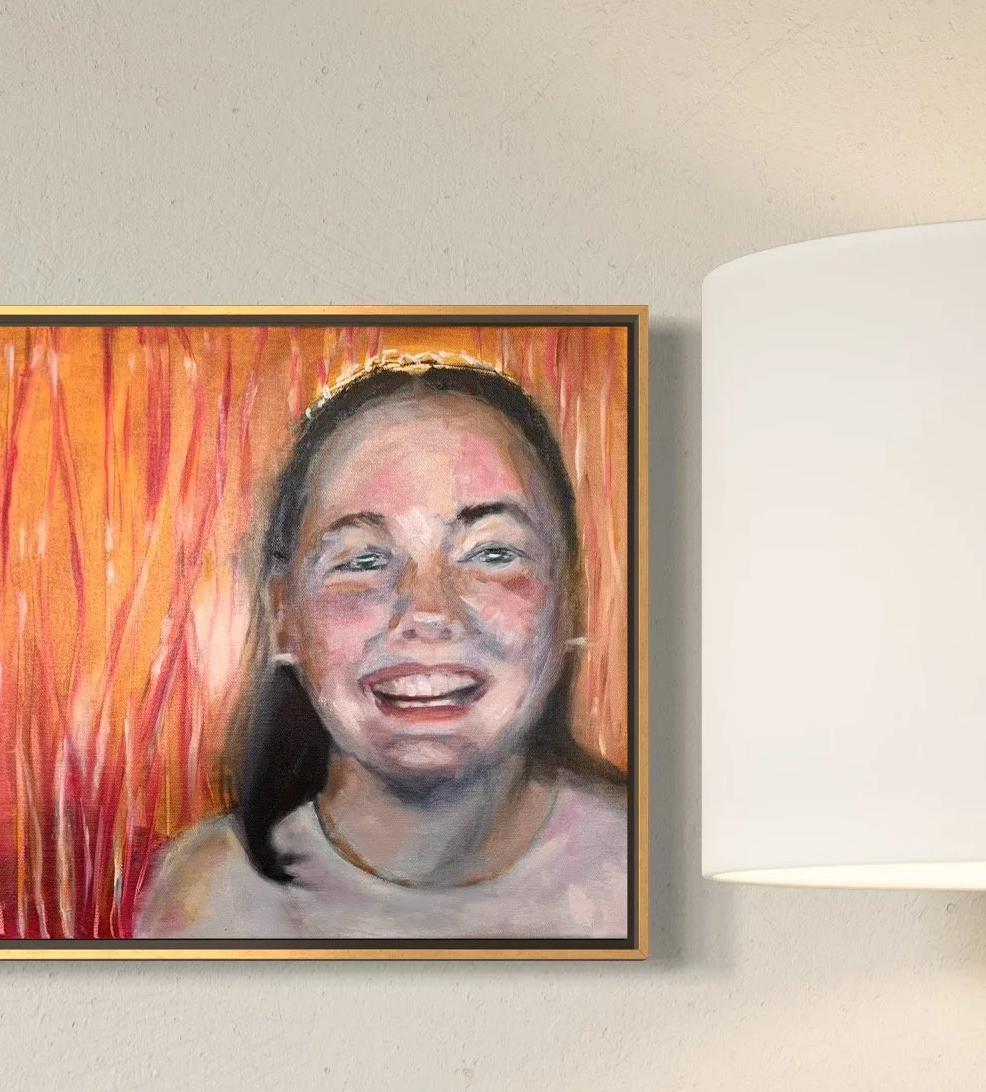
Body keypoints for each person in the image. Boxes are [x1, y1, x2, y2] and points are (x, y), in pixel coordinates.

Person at [132, 359, 632, 940]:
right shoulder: (210, 898)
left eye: (491, 553)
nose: (427, 612)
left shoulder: (642, 869)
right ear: (284, 617)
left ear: (567, 600)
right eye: (363, 560)